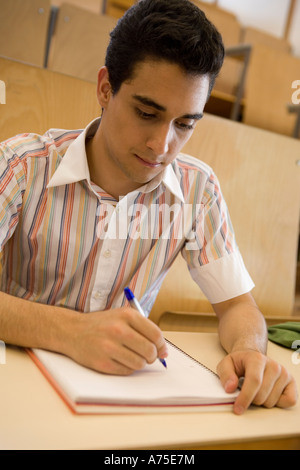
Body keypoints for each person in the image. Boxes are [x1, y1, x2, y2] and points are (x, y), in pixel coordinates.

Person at [0, 0, 297, 415]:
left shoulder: (198, 189)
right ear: (105, 88)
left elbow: (237, 306)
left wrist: (250, 351)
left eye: (185, 124)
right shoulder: (21, 166)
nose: (162, 145)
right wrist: (72, 332)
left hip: (122, 405)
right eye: (146, 112)